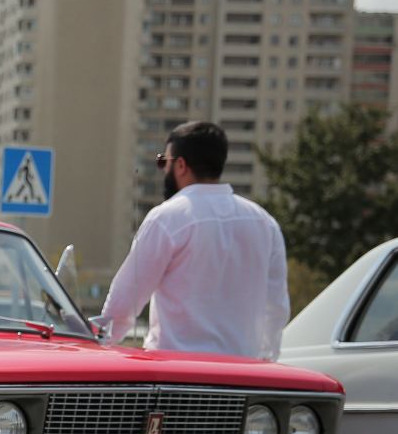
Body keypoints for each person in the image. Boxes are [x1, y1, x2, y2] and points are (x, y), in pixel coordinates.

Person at [99, 120, 289, 360]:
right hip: (243, 377)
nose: (163, 170)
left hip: (178, 376)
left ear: (180, 165)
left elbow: (123, 304)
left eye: (163, 162)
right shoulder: (265, 224)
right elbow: (276, 309)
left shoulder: (167, 218)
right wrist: (265, 362)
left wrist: (98, 346)